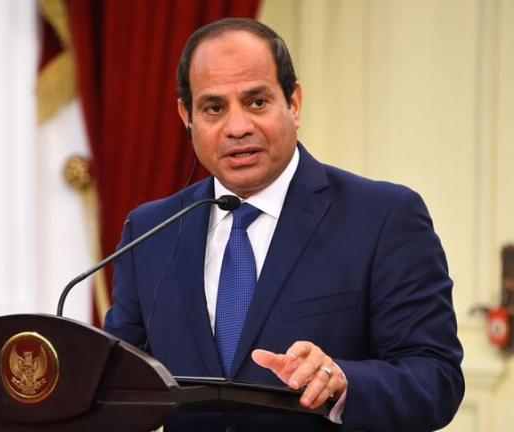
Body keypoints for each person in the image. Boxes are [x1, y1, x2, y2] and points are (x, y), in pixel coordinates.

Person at [104, 18, 464, 431]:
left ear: (293, 103)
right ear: (187, 115)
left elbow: (436, 380)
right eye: (214, 108)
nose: (237, 128)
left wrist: (343, 383)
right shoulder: (151, 230)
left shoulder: (384, 217)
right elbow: (117, 384)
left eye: (257, 102)